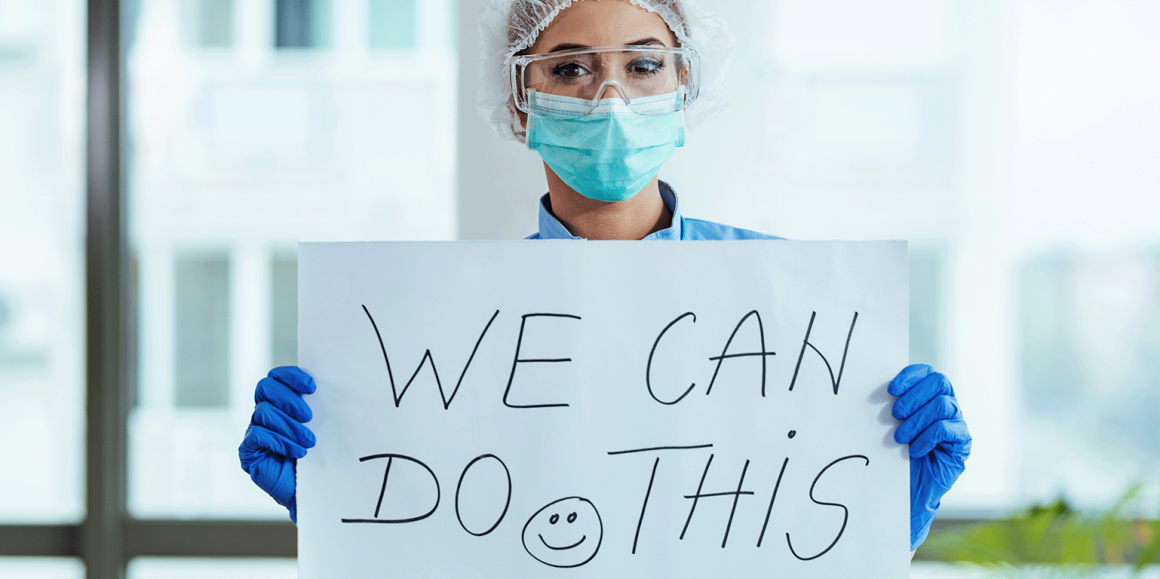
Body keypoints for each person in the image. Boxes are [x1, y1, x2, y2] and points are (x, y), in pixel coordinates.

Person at [238, 0, 971, 555]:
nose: (610, 98)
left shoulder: (798, 306)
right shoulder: (441, 326)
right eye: (570, 68)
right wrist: (341, 500)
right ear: (520, 96)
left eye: (644, 64)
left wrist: (883, 515)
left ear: (687, 81)